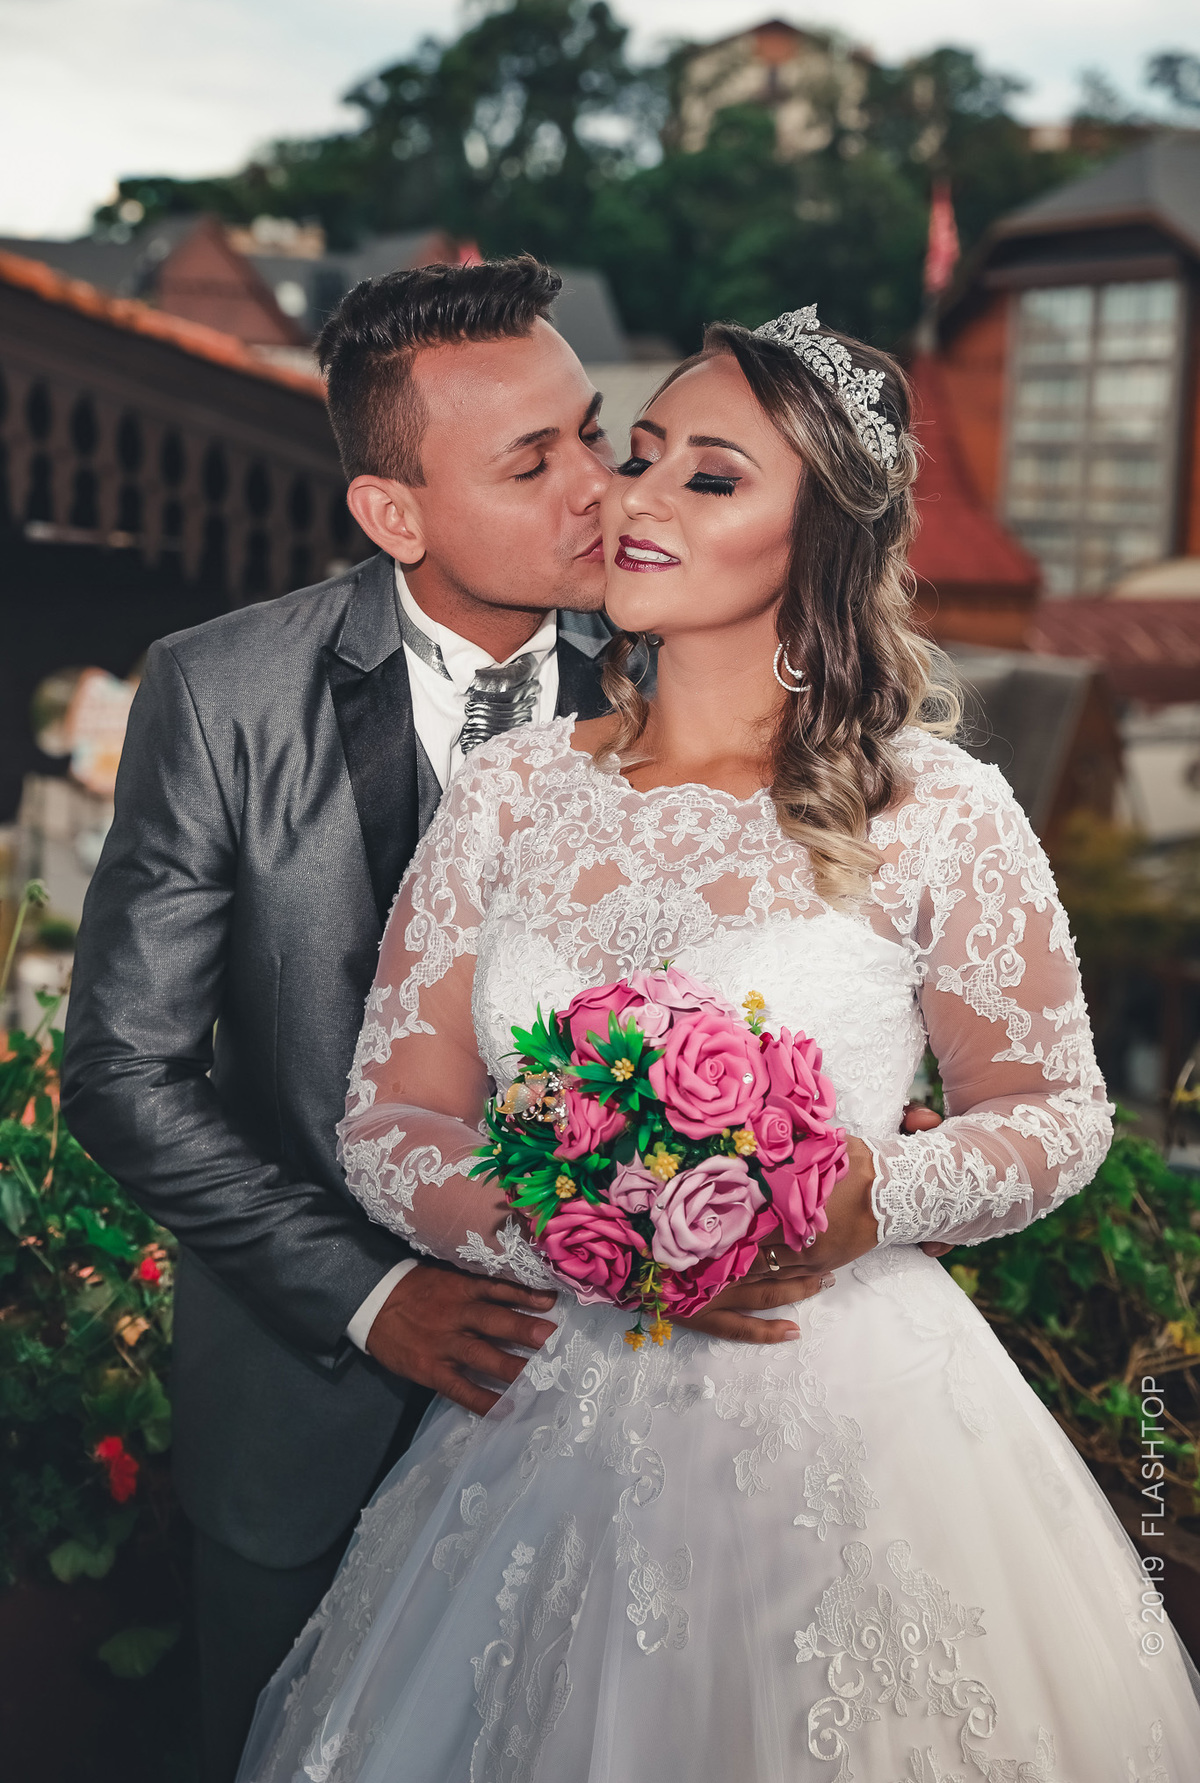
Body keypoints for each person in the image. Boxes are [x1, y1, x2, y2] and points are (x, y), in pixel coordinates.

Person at [237, 307, 1200, 1782]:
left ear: (818, 540)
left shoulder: (936, 811)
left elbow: (1053, 1110)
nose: (636, 499)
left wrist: (871, 1195)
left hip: (852, 1419)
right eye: (638, 456)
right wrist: (579, 1225)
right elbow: (392, 1123)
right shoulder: (506, 797)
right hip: (549, 1421)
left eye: (710, 476)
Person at [59, 260, 851, 1783]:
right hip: (306, 1398)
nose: (601, 487)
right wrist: (369, 1297)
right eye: (532, 461)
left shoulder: (690, 669)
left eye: (595, 432)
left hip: (617, 1408)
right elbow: (122, 1069)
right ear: (395, 515)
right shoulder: (222, 694)